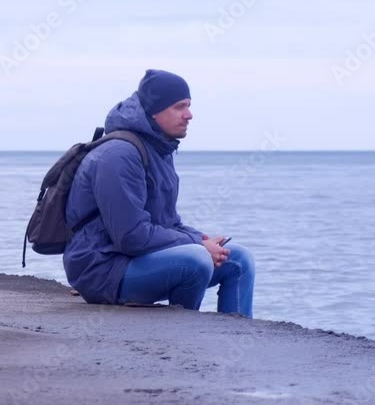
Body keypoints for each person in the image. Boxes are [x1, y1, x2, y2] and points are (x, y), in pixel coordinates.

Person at [62, 69, 255, 317]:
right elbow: (131, 236)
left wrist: (202, 239)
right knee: (196, 259)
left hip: (134, 261)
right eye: (179, 107)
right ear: (154, 110)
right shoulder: (118, 155)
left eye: (189, 106)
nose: (189, 115)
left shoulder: (158, 149)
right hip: (102, 270)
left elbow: (167, 223)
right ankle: (181, 333)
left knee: (239, 259)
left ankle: (234, 337)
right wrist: (198, 244)